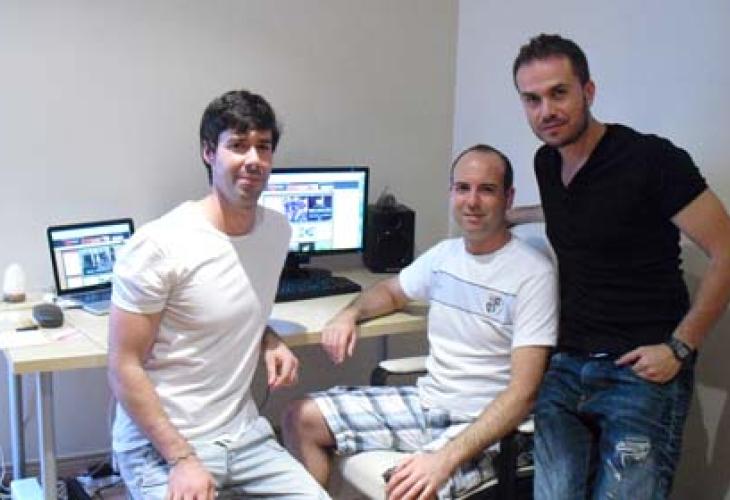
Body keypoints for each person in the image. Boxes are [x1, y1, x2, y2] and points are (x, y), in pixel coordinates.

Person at [510, 34, 730, 499]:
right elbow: (578, 211)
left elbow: (726, 252)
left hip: (639, 372)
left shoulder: (652, 160)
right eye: (532, 99)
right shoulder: (547, 162)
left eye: (558, 93)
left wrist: (679, 347)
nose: (546, 110)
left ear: (588, 91)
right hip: (567, 366)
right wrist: (504, 216)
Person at [282, 145, 558, 499]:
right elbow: (391, 292)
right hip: (428, 404)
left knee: (407, 488)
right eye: (462, 188)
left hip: (486, 425)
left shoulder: (532, 274)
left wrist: (443, 459)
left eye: (486, 190)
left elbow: (524, 394)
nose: (472, 201)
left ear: (509, 197)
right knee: (300, 418)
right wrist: (350, 313)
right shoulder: (445, 255)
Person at [107, 90, 330, 500]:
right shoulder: (159, 245)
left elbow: (230, 300)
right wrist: (181, 458)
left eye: (264, 146)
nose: (254, 159)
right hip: (161, 447)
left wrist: (268, 337)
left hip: (243, 435)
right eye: (238, 145)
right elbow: (123, 366)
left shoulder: (276, 231)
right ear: (209, 152)